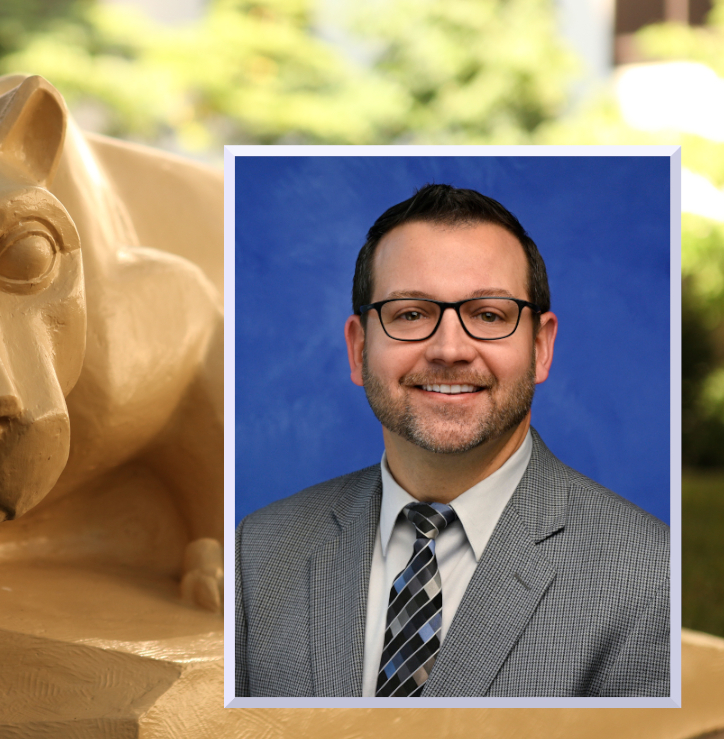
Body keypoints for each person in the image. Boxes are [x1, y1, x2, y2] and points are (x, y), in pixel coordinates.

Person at [234, 184, 669, 698]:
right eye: (410, 314)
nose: (449, 349)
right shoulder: (258, 551)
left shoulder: (651, 577)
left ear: (541, 347)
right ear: (358, 348)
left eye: (488, 315)